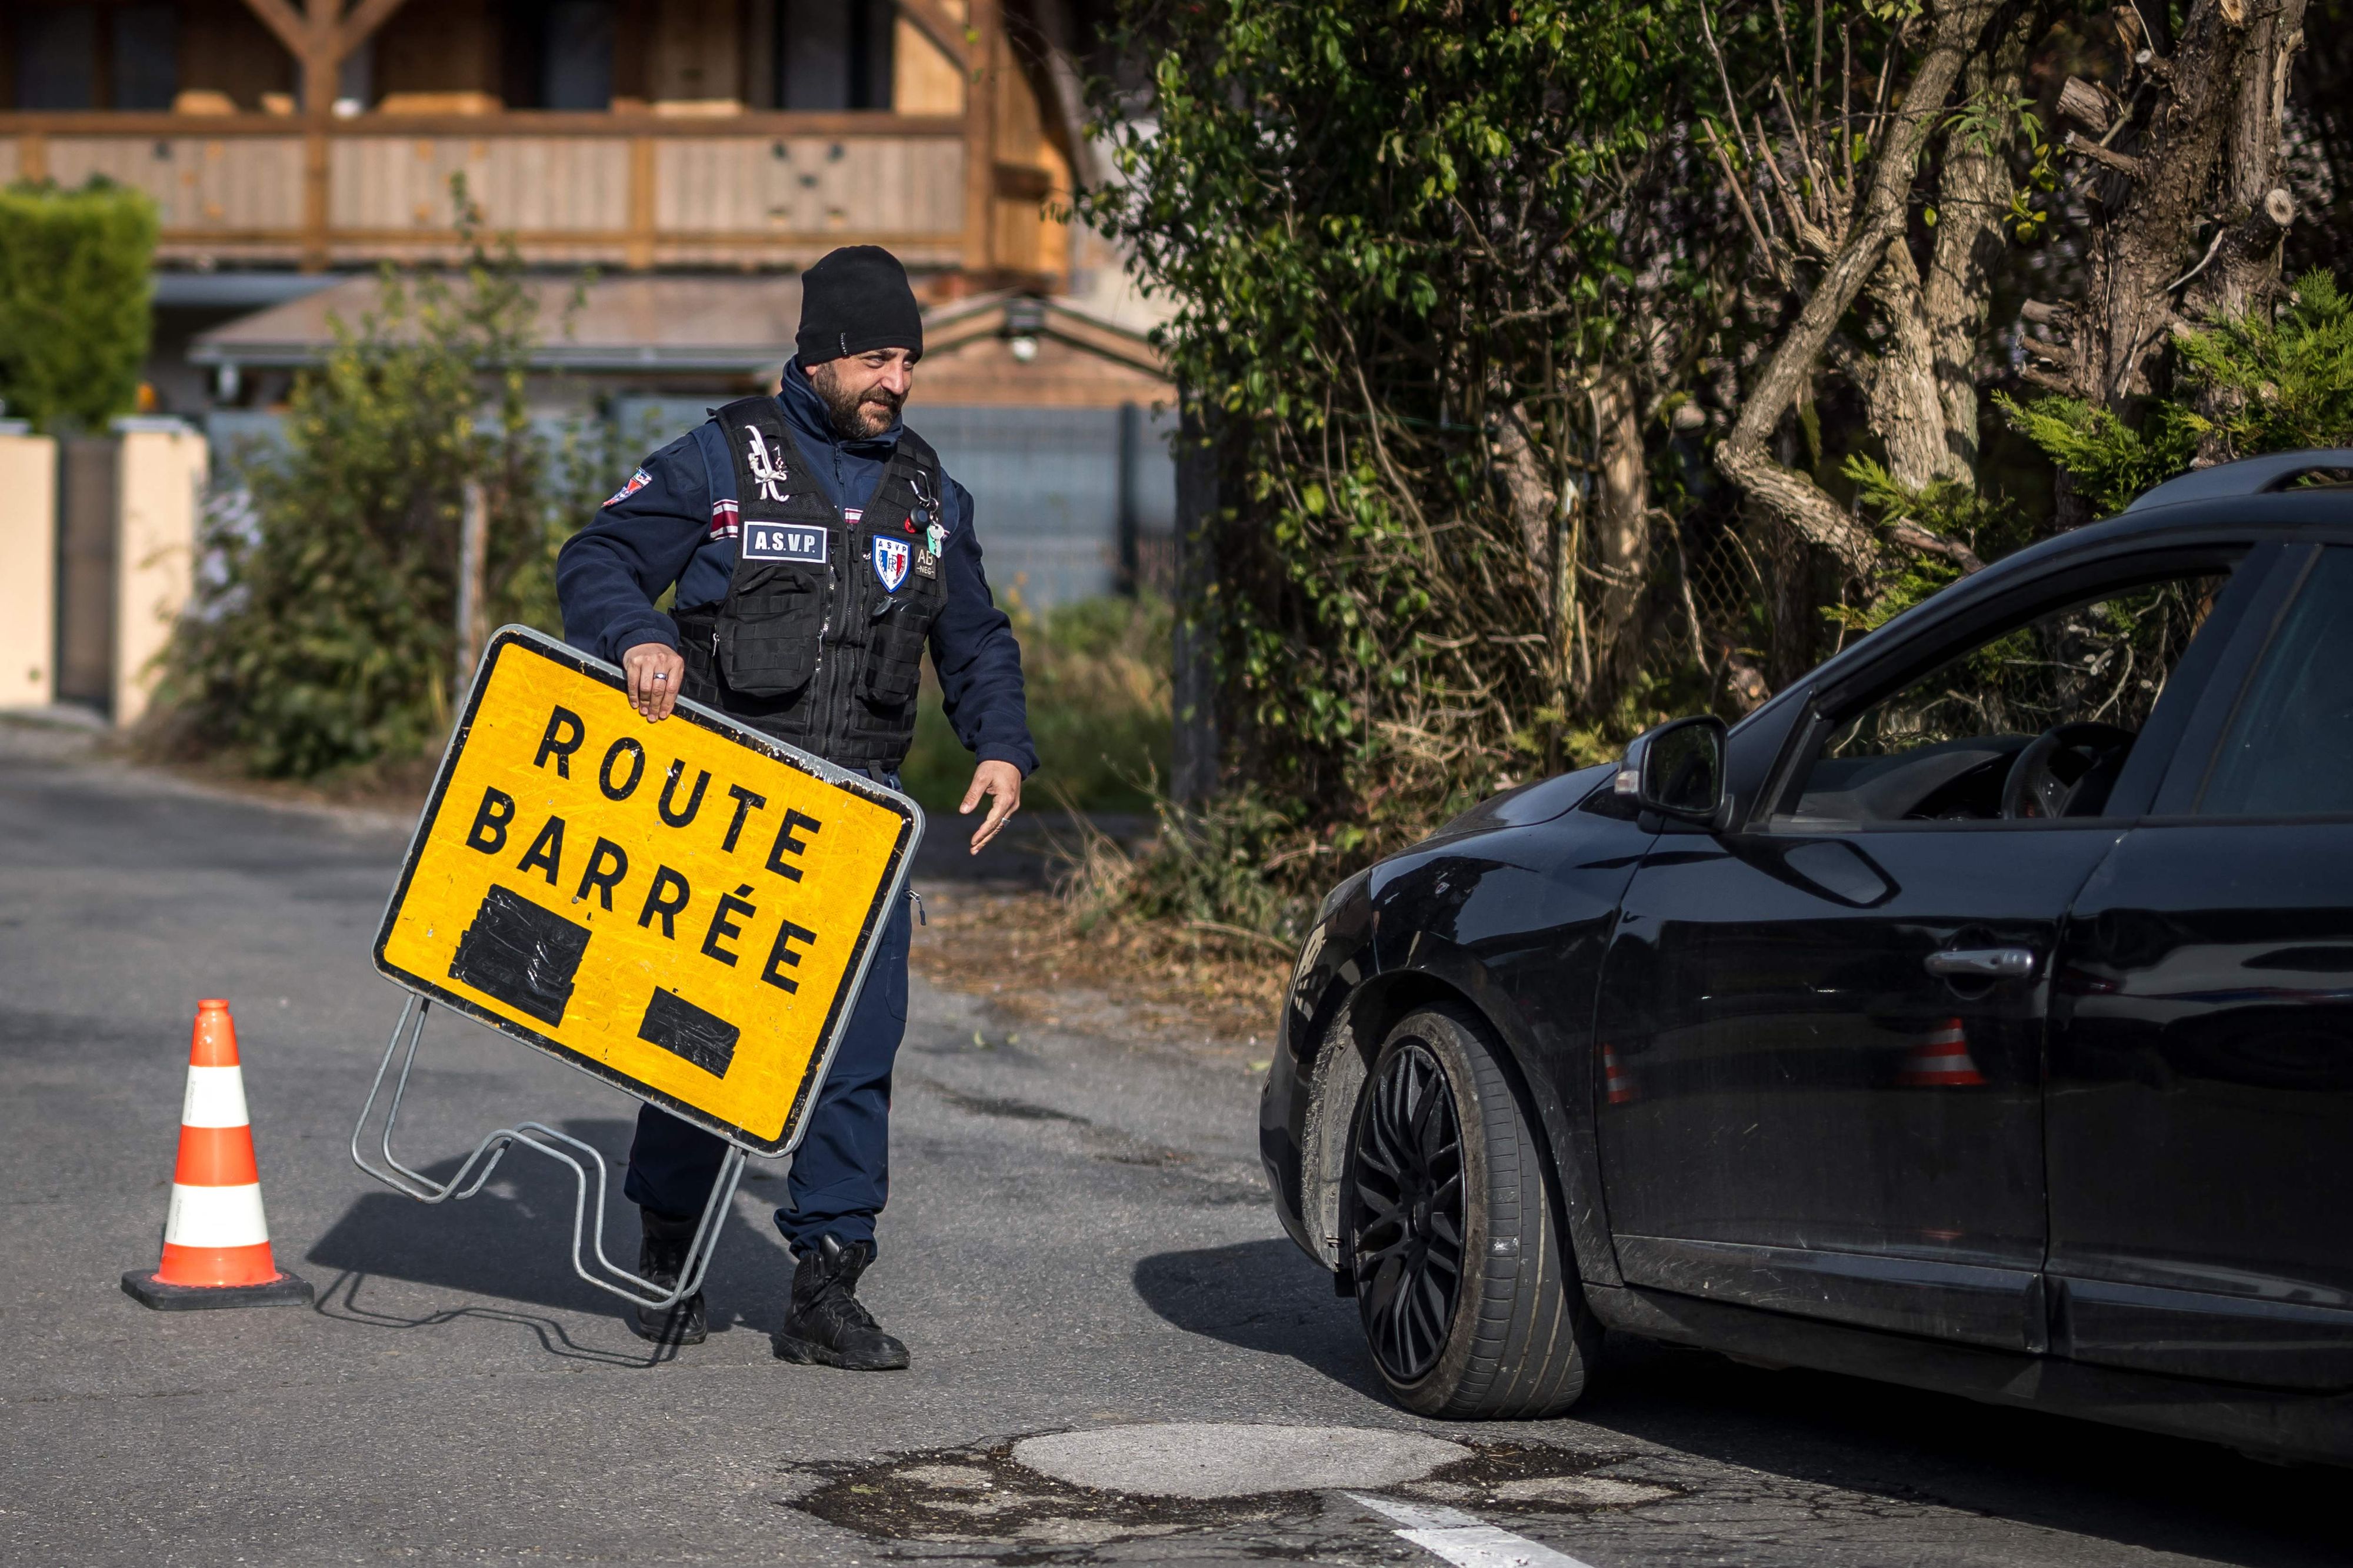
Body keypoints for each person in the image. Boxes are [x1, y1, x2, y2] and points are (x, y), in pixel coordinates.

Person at [556, 245, 1034, 1369]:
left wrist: (1002, 747)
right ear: (820, 354)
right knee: (693, 1042)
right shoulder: (722, 460)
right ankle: (667, 1248)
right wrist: (637, 633)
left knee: (857, 1053)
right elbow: (599, 558)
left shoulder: (928, 494)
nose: (898, 382)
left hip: (861, 831)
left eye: (909, 360)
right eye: (878, 357)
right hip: (723, 818)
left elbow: (975, 641)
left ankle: (826, 1282)